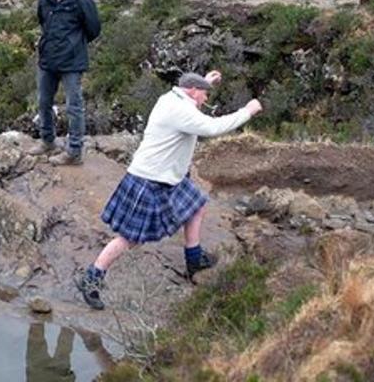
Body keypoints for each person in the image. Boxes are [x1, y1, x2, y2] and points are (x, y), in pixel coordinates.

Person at [74, 72, 263, 310]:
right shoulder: (180, 111)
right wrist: (248, 111)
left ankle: (194, 260)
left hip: (168, 177)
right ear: (193, 91)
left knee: (197, 206)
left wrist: (205, 81)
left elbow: (193, 101)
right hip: (149, 180)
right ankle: (92, 278)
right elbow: (213, 127)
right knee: (130, 238)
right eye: (204, 93)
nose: (206, 99)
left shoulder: (172, 98)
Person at [29, 0, 101, 166]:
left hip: (72, 61)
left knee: (74, 106)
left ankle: (74, 151)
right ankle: (47, 141)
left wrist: (73, 43)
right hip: (47, 58)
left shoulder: (83, 2)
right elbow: (42, 21)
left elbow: (94, 29)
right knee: (43, 101)